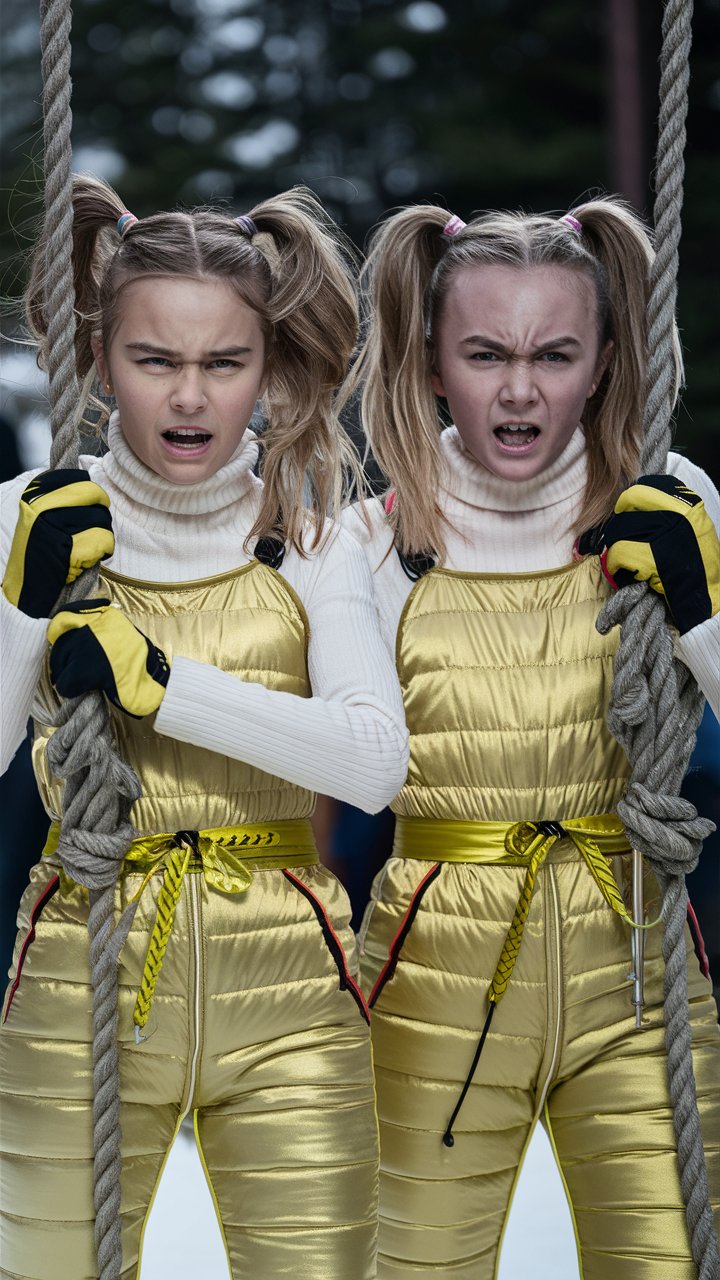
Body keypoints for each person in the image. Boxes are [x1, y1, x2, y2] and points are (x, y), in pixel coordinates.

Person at [0, 175, 409, 1280]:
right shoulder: (27, 514)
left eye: (224, 364)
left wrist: (163, 684)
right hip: (81, 959)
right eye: (156, 361)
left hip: (290, 969)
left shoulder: (314, 534)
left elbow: (375, 762)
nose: (190, 396)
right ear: (100, 355)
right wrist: (22, 605)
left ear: (269, 369)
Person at [342, 198, 720, 1278]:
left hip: (637, 953)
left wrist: (697, 611)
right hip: (433, 962)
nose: (518, 389)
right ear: (430, 362)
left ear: (604, 362)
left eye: (555, 354)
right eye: (485, 353)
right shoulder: (375, 541)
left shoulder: (671, 501)